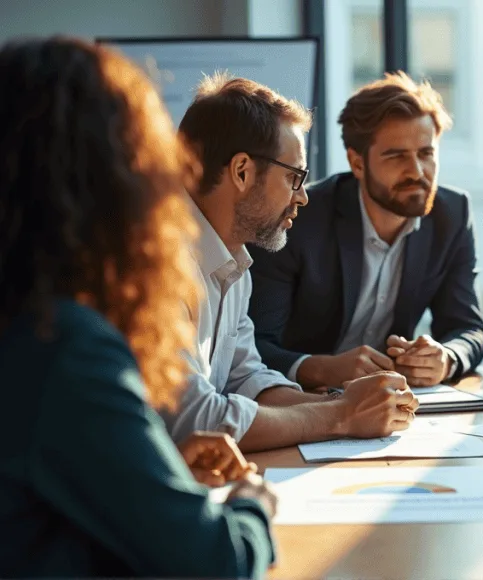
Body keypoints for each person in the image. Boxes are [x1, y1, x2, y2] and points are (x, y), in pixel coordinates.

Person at [0, 37, 276, 576]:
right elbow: (218, 563)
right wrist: (253, 506)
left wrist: (157, 469)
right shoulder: (63, 343)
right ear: (109, 178)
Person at [170, 73, 418, 451]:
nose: (302, 197)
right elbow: (195, 420)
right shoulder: (157, 267)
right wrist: (342, 416)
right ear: (242, 171)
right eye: (294, 177)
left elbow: (246, 380)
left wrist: (346, 404)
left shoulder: (234, 262)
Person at [248, 71, 483, 389]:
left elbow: (468, 328)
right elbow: (254, 343)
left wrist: (446, 357)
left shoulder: (452, 214)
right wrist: (319, 369)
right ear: (357, 163)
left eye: (426, 154)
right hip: (301, 400)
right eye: (397, 156)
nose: (416, 172)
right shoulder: (298, 217)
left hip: (392, 403)